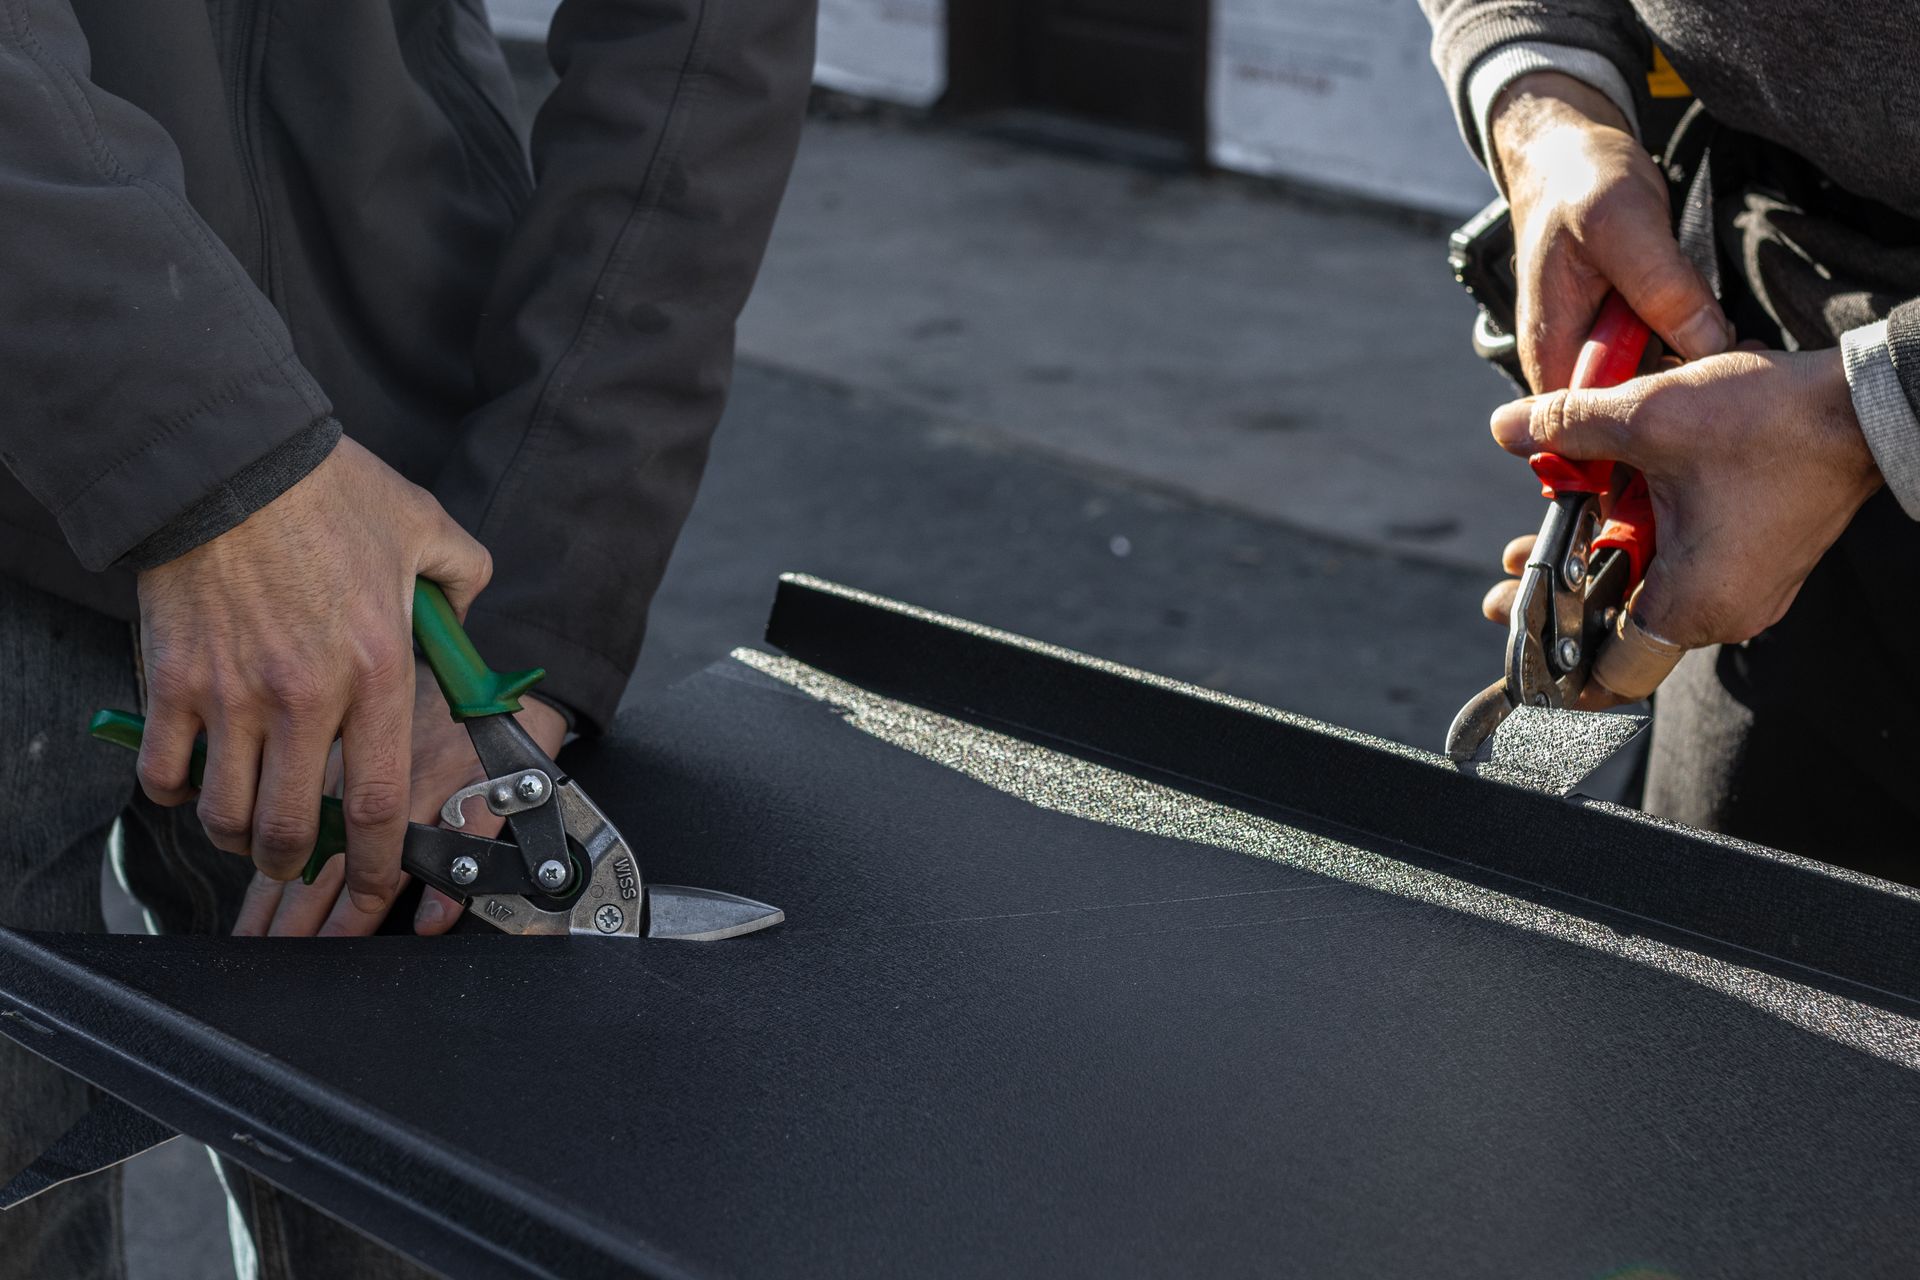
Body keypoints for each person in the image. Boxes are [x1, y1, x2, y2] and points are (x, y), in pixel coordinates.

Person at [0, 0, 814, 1273]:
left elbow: (704, 39)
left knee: (424, 1214)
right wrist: (220, 463)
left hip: (412, 470)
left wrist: (544, 580)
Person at [1420, 1, 1920, 878]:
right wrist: (1544, 110)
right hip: (1747, 453)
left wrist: (1866, 413)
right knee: (1722, 949)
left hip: (1793, 428)